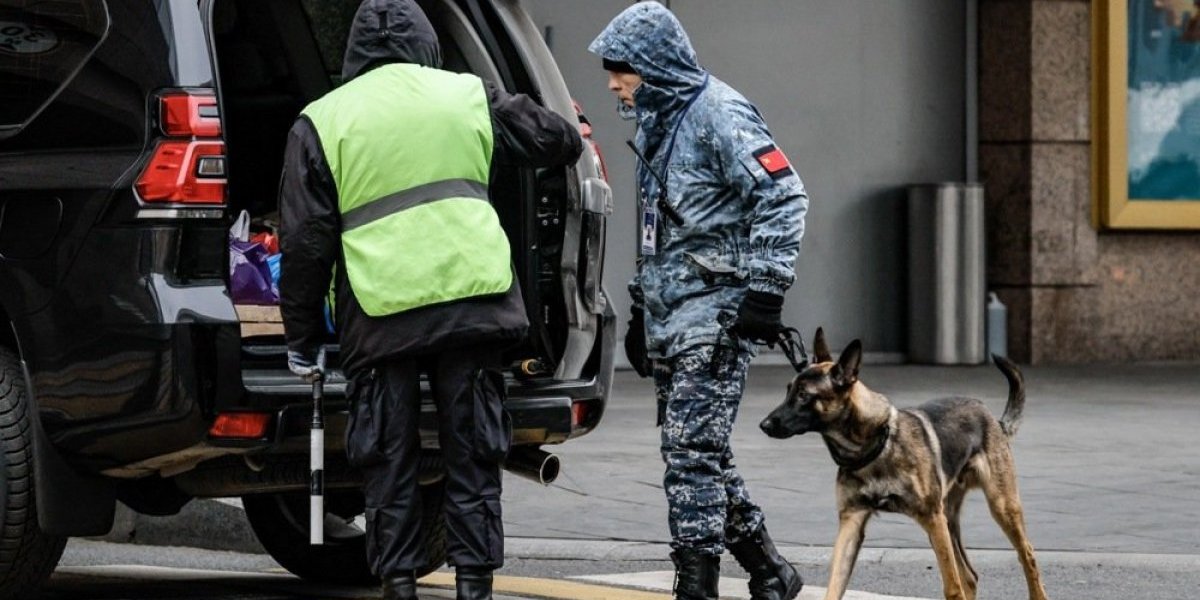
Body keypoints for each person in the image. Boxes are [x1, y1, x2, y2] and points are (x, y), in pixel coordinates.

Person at [278, 1, 582, 599]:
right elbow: (560, 142)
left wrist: (302, 339)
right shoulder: (468, 95)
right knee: (472, 454)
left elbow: (305, 243)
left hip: (381, 310)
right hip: (474, 300)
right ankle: (473, 585)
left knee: (387, 459)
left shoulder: (321, 119)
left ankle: (398, 585)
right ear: (426, 42)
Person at [590, 4, 809, 600]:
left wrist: (766, 291)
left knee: (689, 450)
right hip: (675, 313)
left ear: (655, 66)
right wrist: (643, 311)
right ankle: (770, 570)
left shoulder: (718, 112)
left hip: (717, 313)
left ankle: (697, 587)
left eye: (623, 70)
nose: (613, 83)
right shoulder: (660, 119)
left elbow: (784, 195)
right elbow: (663, 229)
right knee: (701, 449)